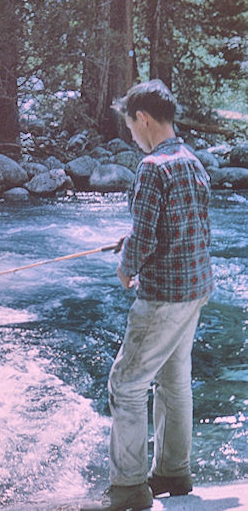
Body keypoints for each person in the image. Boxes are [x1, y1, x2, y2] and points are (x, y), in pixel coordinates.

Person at [81, 80, 214, 511]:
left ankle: (128, 488)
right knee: (174, 381)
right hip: (195, 289)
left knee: (126, 384)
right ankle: (174, 472)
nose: (132, 137)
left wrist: (125, 269)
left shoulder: (153, 167)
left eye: (131, 128)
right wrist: (136, 239)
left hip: (162, 297)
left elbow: (143, 239)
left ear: (143, 119)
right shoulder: (193, 162)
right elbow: (184, 227)